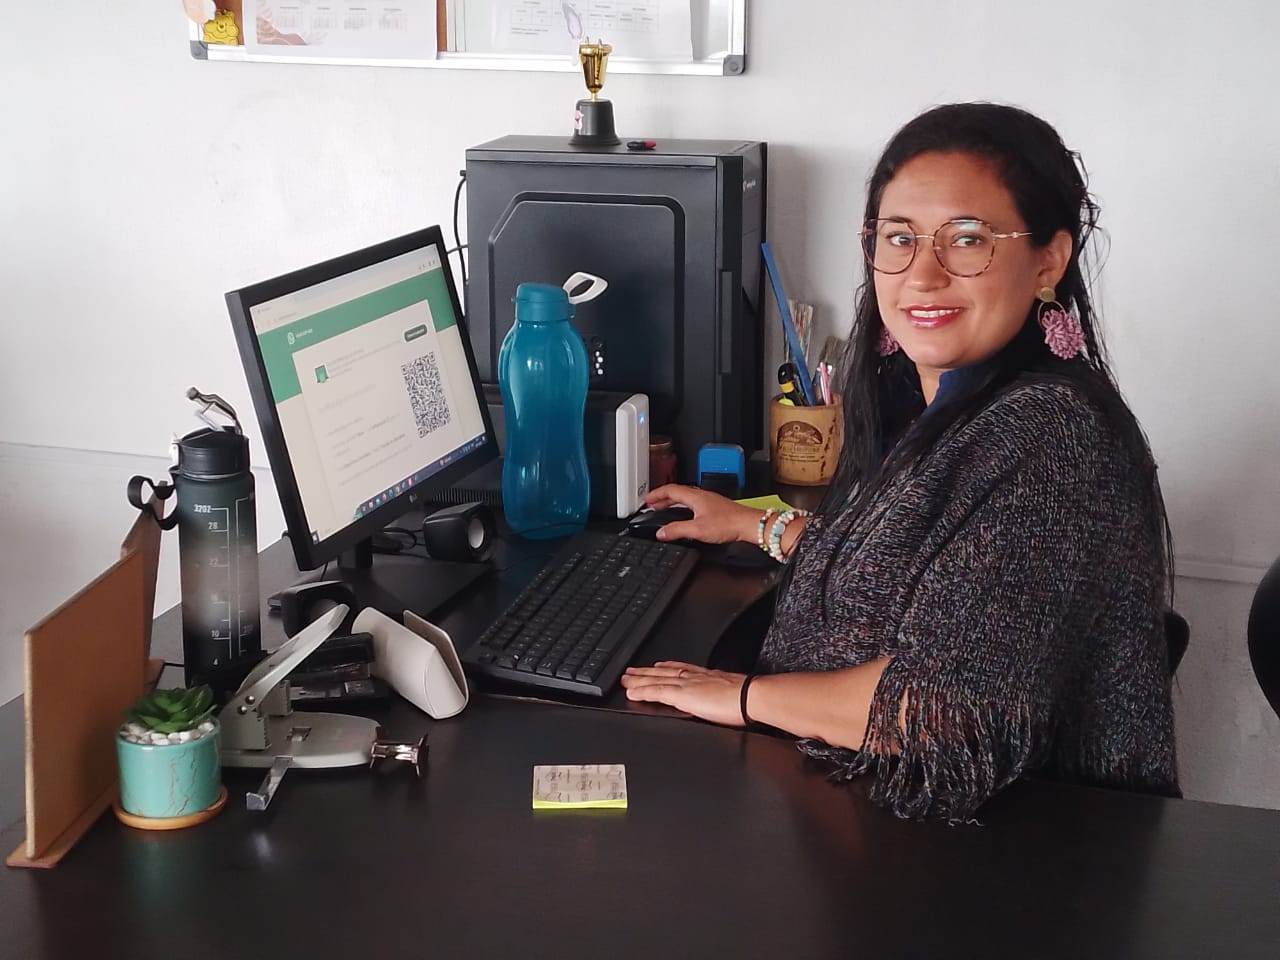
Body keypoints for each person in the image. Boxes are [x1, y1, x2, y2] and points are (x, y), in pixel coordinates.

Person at [620, 102, 1179, 821]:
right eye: (899, 238)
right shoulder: (934, 401)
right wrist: (755, 526)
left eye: (968, 240)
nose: (923, 274)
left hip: (1001, 852)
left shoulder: (1053, 437)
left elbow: (939, 708)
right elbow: (921, 567)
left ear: (1049, 259)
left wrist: (740, 696)